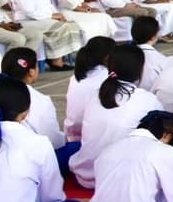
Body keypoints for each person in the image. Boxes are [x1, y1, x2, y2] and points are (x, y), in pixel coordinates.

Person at [69, 45, 164, 189]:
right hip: (122, 180)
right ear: (140, 69)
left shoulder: (94, 96)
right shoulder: (148, 100)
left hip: (86, 176)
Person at [0, 47, 75, 173]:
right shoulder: (39, 100)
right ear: (31, 72)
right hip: (26, 163)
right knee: (78, 147)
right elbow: (53, 140)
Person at [7, 0, 85, 70]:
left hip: (43, 19)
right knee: (61, 27)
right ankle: (56, 61)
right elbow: (30, 11)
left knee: (72, 25)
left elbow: (49, 4)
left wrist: (57, 14)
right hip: (27, 21)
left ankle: (59, 58)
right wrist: (51, 16)